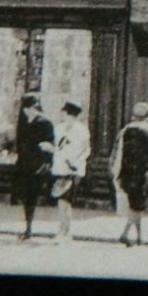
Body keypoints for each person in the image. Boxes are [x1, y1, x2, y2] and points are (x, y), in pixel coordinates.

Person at [110, 102, 148, 247]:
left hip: (127, 173)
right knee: (137, 205)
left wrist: (115, 173)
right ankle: (125, 234)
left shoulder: (124, 131)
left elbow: (117, 153)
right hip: (144, 173)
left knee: (135, 204)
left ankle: (139, 237)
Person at [12, 94, 56, 240]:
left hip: (37, 165)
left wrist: (46, 163)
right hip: (25, 164)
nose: (28, 111)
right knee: (27, 196)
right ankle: (28, 227)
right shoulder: (24, 122)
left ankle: (30, 227)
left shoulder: (45, 122)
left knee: (34, 196)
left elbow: (50, 145)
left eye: (31, 108)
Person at [50, 101, 91, 244]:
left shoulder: (81, 130)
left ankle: (64, 231)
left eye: (65, 113)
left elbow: (87, 150)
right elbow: (57, 147)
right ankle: (65, 231)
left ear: (70, 114)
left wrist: (77, 162)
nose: (63, 115)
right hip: (60, 167)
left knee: (65, 201)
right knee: (63, 202)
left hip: (74, 170)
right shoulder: (58, 129)